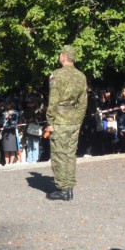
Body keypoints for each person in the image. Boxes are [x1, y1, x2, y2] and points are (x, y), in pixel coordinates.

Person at [45, 45, 88, 201]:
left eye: (60, 54)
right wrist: (79, 119)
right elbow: (83, 102)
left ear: (63, 56)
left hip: (60, 119)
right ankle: (69, 188)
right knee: (70, 154)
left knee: (59, 154)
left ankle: (63, 189)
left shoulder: (57, 75)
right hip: (74, 120)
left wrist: (50, 120)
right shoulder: (81, 76)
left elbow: (53, 100)